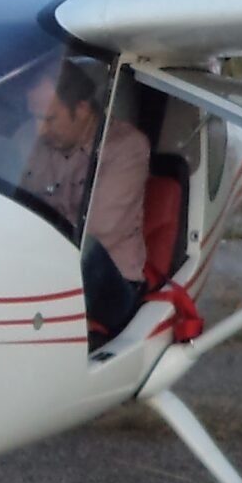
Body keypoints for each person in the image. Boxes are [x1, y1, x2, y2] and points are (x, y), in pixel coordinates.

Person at [20, 60, 150, 338]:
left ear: (81, 109)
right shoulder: (34, 143)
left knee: (84, 248)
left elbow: (99, 230)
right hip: (41, 268)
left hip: (109, 283)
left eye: (48, 119)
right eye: (34, 117)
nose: (39, 130)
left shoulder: (126, 148)